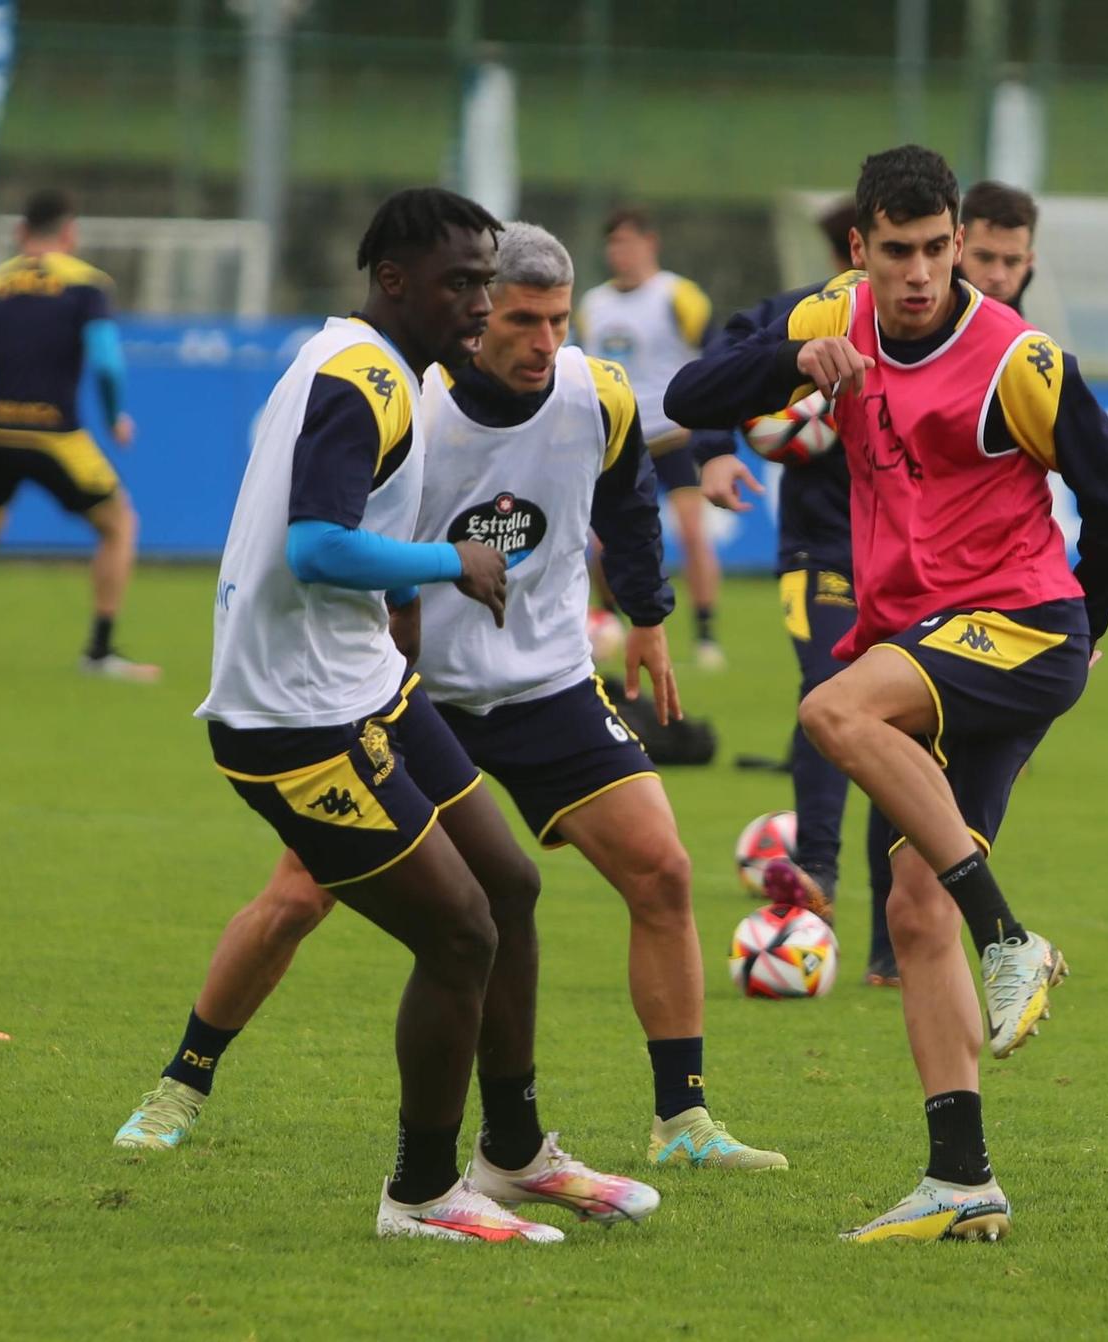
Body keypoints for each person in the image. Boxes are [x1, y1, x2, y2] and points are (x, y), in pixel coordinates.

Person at [116, 222, 785, 1194]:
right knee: (300, 892)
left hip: (547, 684)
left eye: (557, 319)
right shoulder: (416, 402)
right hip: (417, 696)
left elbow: (627, 493)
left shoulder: (592, 391)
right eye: (520, 318)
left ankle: (680, 1114)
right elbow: (353, 545)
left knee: (663, 868)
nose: (542, 340)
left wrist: (646, 615)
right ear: (477, 316)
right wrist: (395, 645)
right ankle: (184, 1079)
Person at [666, 144, 1108, 1242]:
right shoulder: (837, 313)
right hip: (928, 643)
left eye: (940, 250)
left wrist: (1090, 628)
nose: (924, 272)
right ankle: (960, 1177)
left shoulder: (1017, 362)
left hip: (1018, 628)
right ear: (859, 248)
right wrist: (802, 354)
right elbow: (690, 395)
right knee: (909, 908)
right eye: (901, 252)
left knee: (832, 709)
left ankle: (1011, 936)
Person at [163, 187, 594, 1242]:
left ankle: (513, 1152)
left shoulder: (371, 364)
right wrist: (451, 559)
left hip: (364, 687)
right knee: (460, 934)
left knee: (511, 883)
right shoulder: (362, 379)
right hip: (292, 722)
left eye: (488, 281)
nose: (481, 303)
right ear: (392, 281)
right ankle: (419, 1195)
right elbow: (317, 547)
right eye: (462, 283)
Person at [692, 201, 901, 986]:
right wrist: (713, 449)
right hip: (821, 551)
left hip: (911, 559)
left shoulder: (955, 330)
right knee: (832, 692)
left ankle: (891, 941)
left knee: (901, 731)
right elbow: (718, 365)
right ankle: (817, 868)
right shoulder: (803, 314)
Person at [0, 188, 156, 680]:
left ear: (19, 234)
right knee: (119, 525)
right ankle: (99, 653)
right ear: (70, 233)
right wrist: (116, 416)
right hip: (54, 435)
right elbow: (106, 362)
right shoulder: (86, 285)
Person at [577, 206, 726, 670]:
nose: (620, 252)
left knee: (693, 533)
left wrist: (705, 416)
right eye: (613, 244)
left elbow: (717, 355)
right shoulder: (593, 306)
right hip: (619, 439)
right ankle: (613, 621)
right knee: (600, 545)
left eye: (629, 242)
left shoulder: (679, 296)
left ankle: (705, 635)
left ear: (649, 243)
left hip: (673, 435)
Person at [957, 180, 1038, 311]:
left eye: (1012, 261)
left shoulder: (1030, 332)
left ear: (1028, 262)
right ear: (957, 248)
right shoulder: (918, 329)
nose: (997, 277)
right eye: (984, 258)